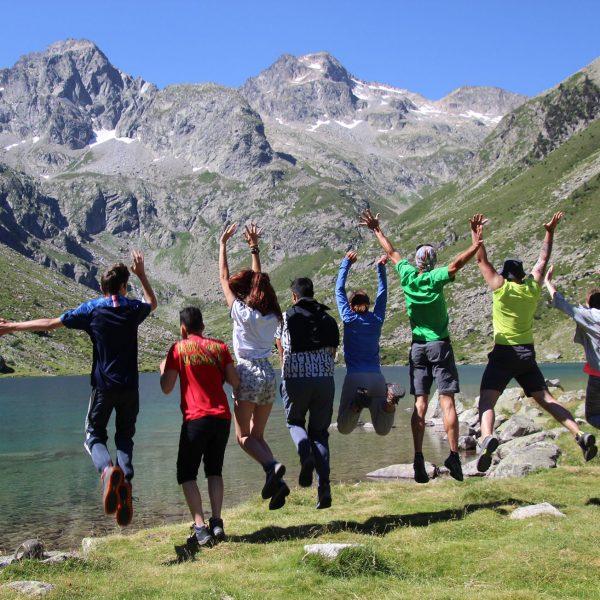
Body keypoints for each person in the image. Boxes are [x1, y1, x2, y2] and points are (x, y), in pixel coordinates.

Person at [0, 252, 157, 526]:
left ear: (101, 288)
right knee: (125, 437)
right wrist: (142, 274)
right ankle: (125, 485)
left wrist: (12, 327)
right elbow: (152, 303)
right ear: (124, 286)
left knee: (94, 435)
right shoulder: (132, 308)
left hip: (103, 388)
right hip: (130, 387)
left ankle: (108, 471)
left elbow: (51, 323)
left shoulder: (92, 309)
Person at [359, 209, 482, 483]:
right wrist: (475, 243)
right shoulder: (436, 278)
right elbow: (456, 266)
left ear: (415, 262)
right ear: (433, 261)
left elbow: (391, 253)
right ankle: (452, 455)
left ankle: (417, 456)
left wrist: (376, 229)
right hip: (440, 345)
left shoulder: (407, 276)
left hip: (418, 348)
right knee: (447, 400)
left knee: (421, 403)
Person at [469, 212, 598, 472]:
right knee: (547, 399)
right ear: (522, 275)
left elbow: (481, 259)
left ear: (505, 275)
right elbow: (543, 260)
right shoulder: (532, 288)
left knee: (487, 401)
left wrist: (477, 234)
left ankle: (486, 438)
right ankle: (578, 434)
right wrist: (549, 232)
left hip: (503, 353)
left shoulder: (500, 287)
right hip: (526, 353)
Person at [218, 222, 289, 510]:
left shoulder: (242, 312)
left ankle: (272, 466)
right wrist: (253, 247)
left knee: (243, 437)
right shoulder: (273, 315)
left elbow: (223, 278)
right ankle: (277, 483)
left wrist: (222, 245)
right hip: (268, 375)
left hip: (247, 373)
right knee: (257, 435)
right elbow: (259, 279)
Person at [160, 307, 239, 547]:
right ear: (203, 326)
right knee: (214, 470)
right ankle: (217, 522)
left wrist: (163, 368)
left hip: (196, 419)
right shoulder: (220, 347)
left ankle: (200, 527)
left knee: (186, 473)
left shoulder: (178, 349)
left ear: (183, 328)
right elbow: (235, 381)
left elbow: (166, 387)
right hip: (223, 417)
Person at [276, 277, 339, 509]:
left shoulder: (285, 317)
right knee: (320, 433)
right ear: (312, 293)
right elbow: (332, 353)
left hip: (295, 378)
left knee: (294, 423)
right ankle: (324, 489)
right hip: (324, 380)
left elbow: (281, 351)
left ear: (294, 296)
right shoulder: (329, 319)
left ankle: (305, 456)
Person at [335, 250, 404, 435]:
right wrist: (381, 269)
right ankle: (390, 401)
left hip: (355, 378)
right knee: (382, 429)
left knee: (343, 427)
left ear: (350, 306)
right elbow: (383, 293)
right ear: (369, 304)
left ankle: (357, 403)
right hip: (377, 378)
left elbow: (339, 290)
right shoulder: (377, 319)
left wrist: (346, 264)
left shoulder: (348, 317)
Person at [544, 265, 600, 436]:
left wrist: (547, 282)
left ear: (588, 303)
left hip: (598, 377)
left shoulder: (589, 316)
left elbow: (562, 303)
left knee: (593, 416)